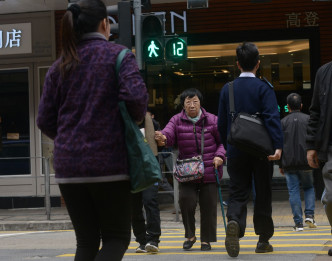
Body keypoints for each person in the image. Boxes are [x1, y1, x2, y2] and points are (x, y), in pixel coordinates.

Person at [36, 1, 148, 260]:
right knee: (116, 238)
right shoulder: (119, 56)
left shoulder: (59, 67)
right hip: (110, 165)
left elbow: (44, 119)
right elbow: (136, 102)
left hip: (69, 168)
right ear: (105, 24)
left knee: (86, 241)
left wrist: (70, 139)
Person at [217, 42, 283, 257]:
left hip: (236, 148)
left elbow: (221, 125)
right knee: (262, 192)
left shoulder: (228, 89)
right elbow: (272, 119)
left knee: (237, 190)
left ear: (237, 64)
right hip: (261, 150)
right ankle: (263, 240)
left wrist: (228, 145)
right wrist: (278, 146)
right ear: (258, 63)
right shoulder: (264, 88)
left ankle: (235, 221)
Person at [155, 88, 226, 251]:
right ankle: (190, 235)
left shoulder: (213, 120)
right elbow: (168, 135)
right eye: (188, 102)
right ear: (183, 105)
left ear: (200, 103)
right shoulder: (176, 120)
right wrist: (163, 138)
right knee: (186, 201)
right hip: (187, 171)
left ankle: (206, 240)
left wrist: (220, 156)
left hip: (209, 169)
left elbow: (223, 142)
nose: (192, 105)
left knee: (208, 206)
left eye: (195, 101)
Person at [279, 93, 316, 231]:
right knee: (309, 187)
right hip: (307, 161)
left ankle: (298, 223)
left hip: (289, 163)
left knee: (293, 191)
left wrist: (281, 165)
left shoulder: (282, 122)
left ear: (287, 107)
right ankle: (310, 215)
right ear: (301, 105)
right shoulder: (309, 119)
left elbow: (280, 145)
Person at [306, 60, 332, 256]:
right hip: (329, 147)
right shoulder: (323, 72)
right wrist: (311, 146)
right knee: (330, 198)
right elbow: (315, 111)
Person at [132, 112, 161, 253]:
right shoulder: (123, 122)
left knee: (150, 201)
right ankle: (142, 240)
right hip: (130, 169)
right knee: (134, 206)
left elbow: (160, 145)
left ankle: (153, 239)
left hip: (149, 168)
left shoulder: (153, 123)